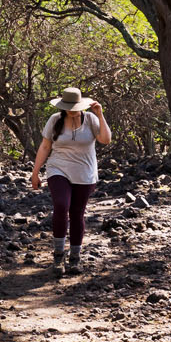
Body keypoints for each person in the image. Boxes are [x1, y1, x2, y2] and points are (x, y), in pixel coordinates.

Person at [31, 86, 112, 274]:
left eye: (73, 106)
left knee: (77, 213)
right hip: (58, 169)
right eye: (67, 106)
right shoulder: (55, 120)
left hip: (85, 173)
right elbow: (45, 147)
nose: (71, 110)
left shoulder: (90, 119)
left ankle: (75, 257)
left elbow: (105, 140)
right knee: (61, 205)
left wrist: (100, 115)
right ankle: (58, 256)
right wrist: (35, 173)